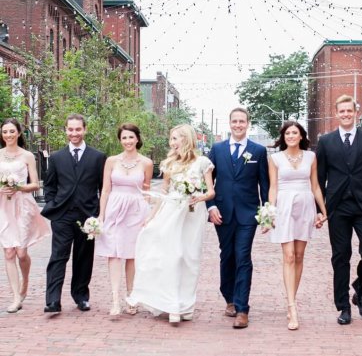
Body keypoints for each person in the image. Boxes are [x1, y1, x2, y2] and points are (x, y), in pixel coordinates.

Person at [127, 124, 215, 324]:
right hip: (171, 213)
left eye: (175, 138)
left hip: (192, 215)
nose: (172, 143)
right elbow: (164, 191)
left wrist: (198, 197)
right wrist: (151, 216)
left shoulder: (203, 162)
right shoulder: (169, 164)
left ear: (186, 139)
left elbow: (211, 192)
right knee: (173, 256)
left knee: (190, 259)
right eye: (171, 139)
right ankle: (172, 305)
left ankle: (187, 306)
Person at [317, 94, 362, 325]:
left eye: (349, 110)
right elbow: (320, 177)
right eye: (342, 111)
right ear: (336, 113)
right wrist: (321, 207)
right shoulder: (326, 142)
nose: (346, 114)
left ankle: (360, 291)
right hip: (338, 207)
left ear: (355, 112)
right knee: (340, 256)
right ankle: (344, 306)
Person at [207, 107, 269, 329]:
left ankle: (242, 308)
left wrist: (266, 213)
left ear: (248, 123)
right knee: (227, 256)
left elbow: (265, 184)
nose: (238, 125)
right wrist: (210, 206)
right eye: (235, 121)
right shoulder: (217, 149)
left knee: (243, 256)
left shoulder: (259, 151)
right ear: (229, 123)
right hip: (222, 212)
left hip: (247, 213)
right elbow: (207, 182)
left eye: (242, 121)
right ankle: (229, 298)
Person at [41, 114, 106, 314]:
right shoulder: (57, 158)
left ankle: (81, 297)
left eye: (78, 129)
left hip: (87, 216)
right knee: (58, 257)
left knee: (83, 258)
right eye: (70, 129)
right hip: (62, 215)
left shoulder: (98, 157)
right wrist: (53, 204)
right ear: (66, 131)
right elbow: (50, 186)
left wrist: (98, 214)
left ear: (85, 129)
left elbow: (104, 188)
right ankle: (53, 300)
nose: (74, 133)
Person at [268, 121, 327, 330]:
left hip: (305, 206)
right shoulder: (274, 158)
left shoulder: (311, 157)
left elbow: (316, 186)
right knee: (289, 255)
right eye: (287, 133)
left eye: (295, 132)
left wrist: (323, 211)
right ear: (283, 137)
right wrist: (269, 213)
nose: (291, 136)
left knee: (300, 256)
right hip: (284, 206)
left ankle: (291, 297)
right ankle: (292, 306)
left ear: (301, 136)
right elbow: (273, 188)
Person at [95, 123, 153, 316]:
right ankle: (114, 299)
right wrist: (101, 215)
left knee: (131, 255)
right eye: (124, 138)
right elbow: (105, 189)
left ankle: (131, 296)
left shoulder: (146, 163)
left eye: (131, 137)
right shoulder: (111, 161)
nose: (127, 141)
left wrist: (148, 216)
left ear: (137, 138)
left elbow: (146, 191)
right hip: (114, 208)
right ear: (120, 140)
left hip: (136, 210)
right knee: (113, 253)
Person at [0, 118, 50, 313]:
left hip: (23, 205)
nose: (8, 135)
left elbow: (36, 184)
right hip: (4, 206)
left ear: (19, 133)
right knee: (9, 251)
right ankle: (15, 297)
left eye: (12, 131)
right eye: (5, 132)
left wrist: (18, 187)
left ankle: (25, 281)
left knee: (21, 252)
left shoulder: (27, 155)